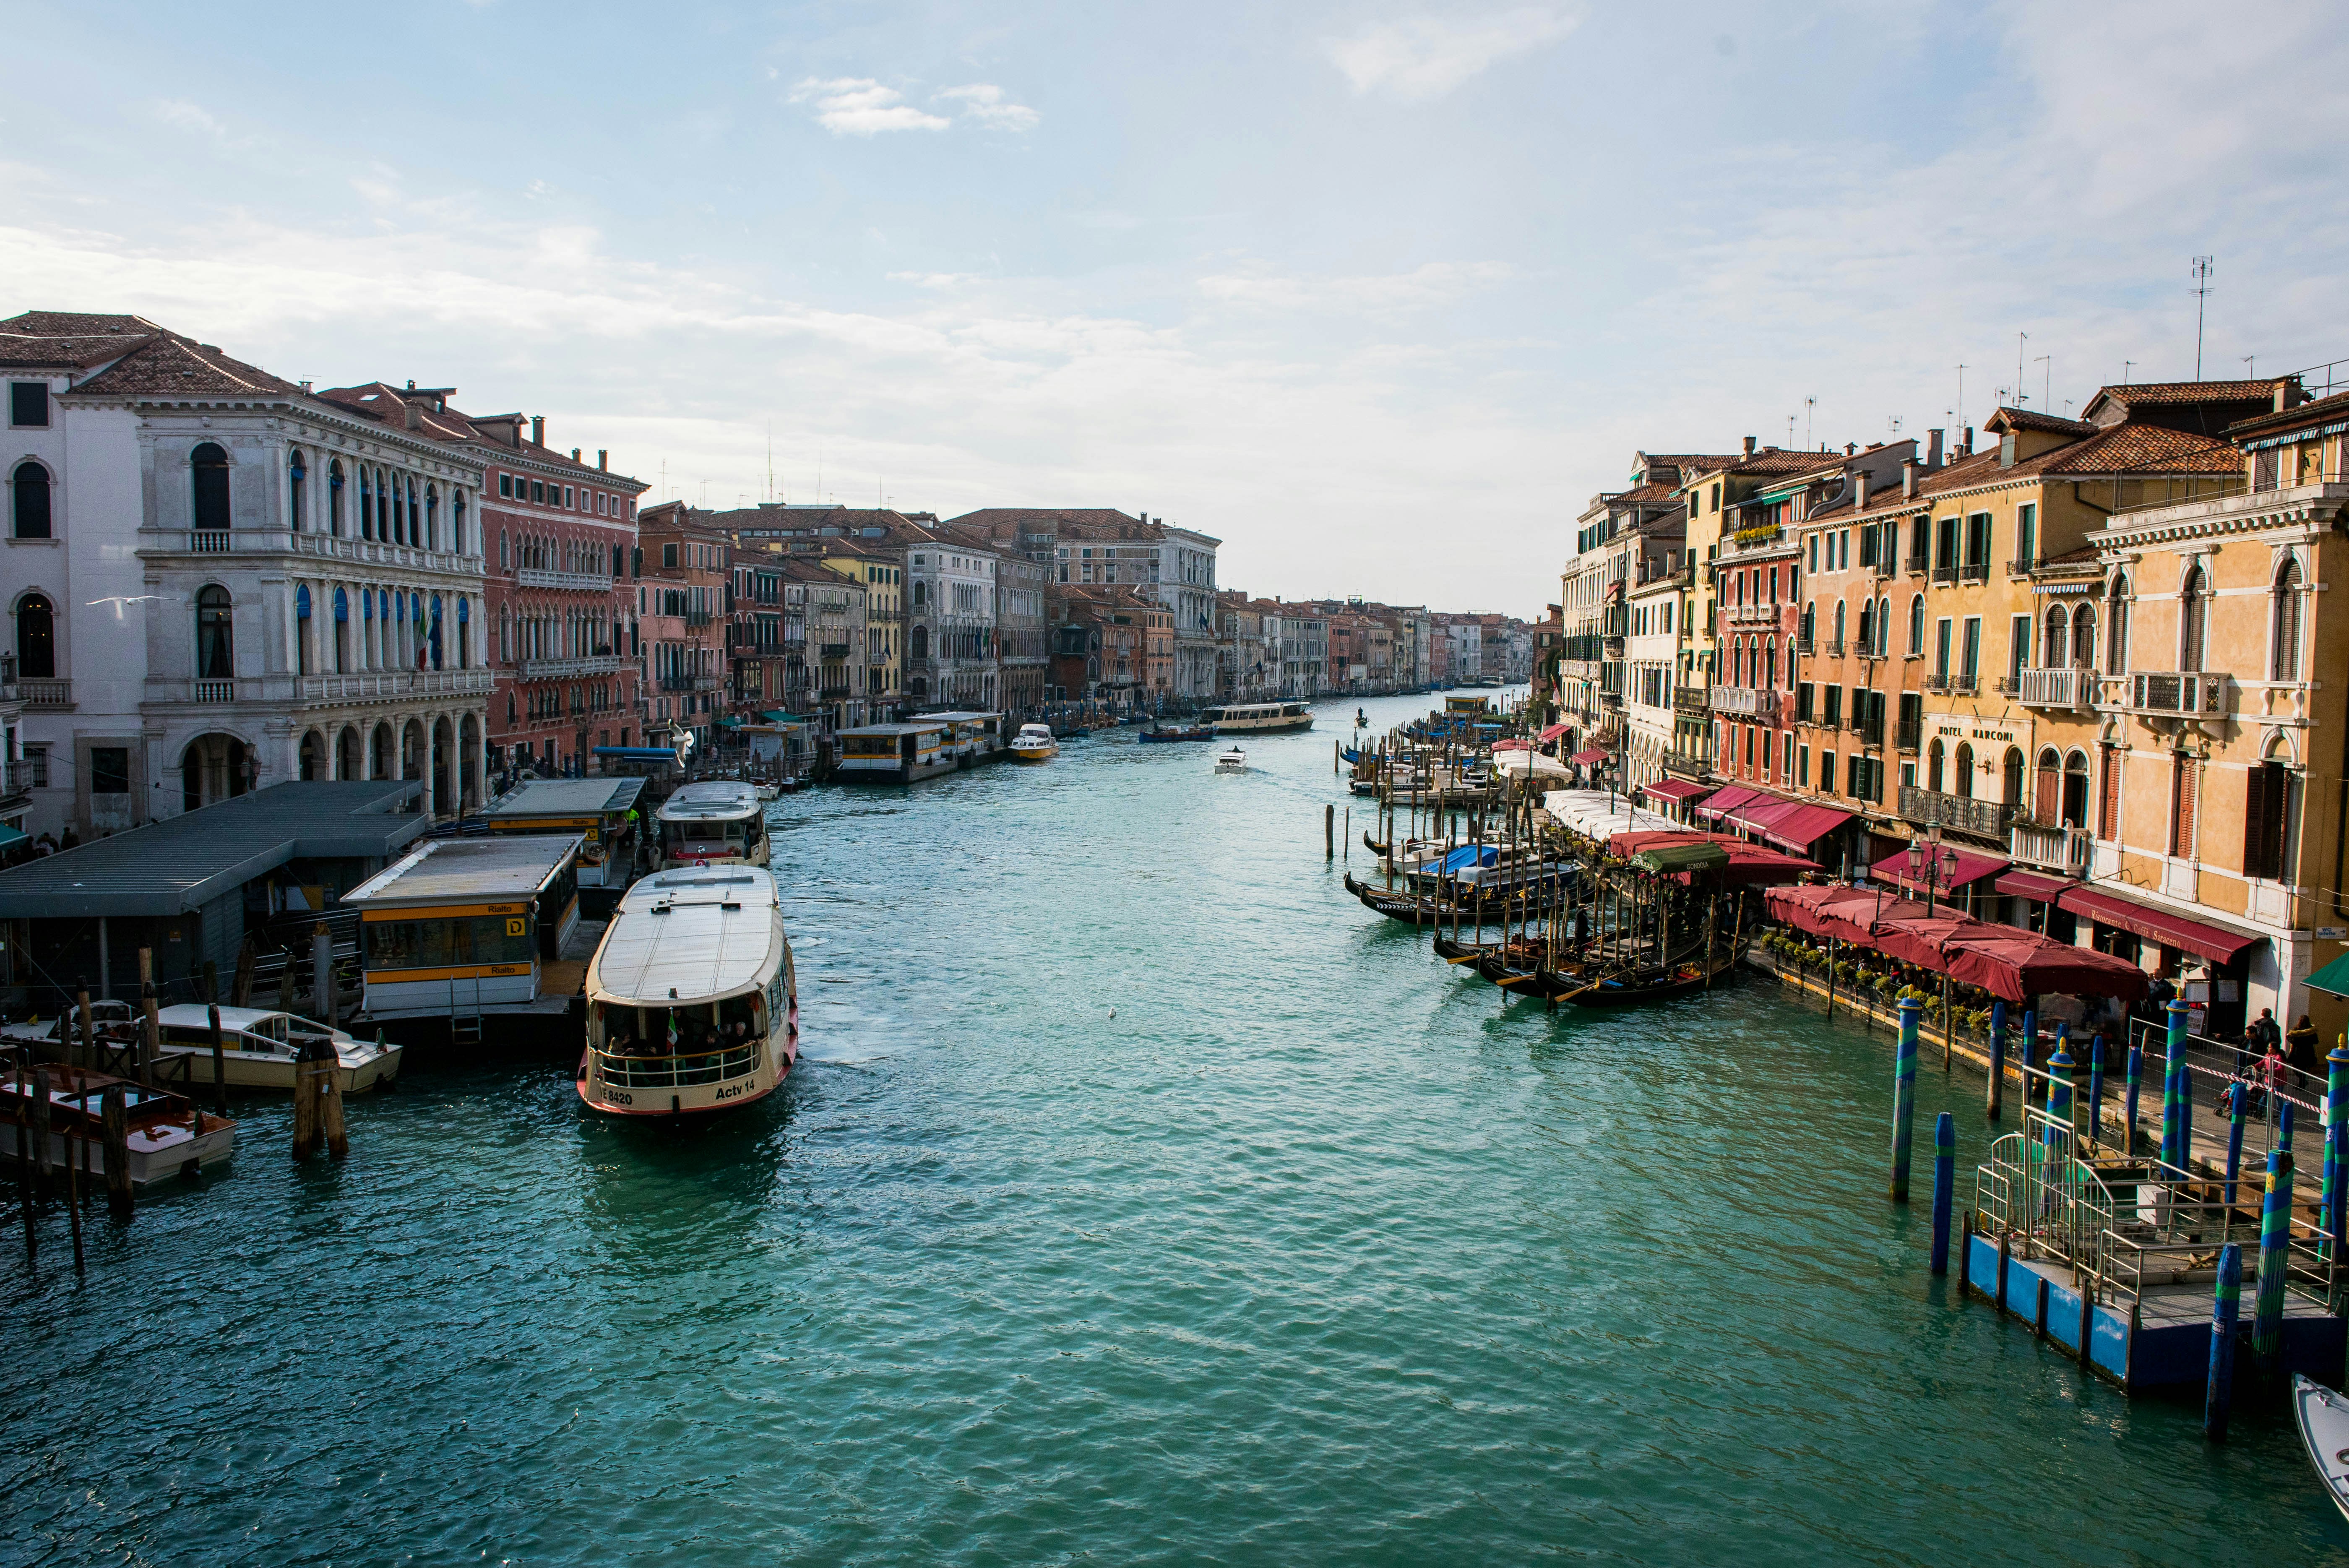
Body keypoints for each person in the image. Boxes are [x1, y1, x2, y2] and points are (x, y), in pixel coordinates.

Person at [2241, 1007, 2280, 1078]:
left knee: (2256, 1066)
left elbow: (2258, 1037)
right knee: (2269, 1065)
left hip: (2260, 1048)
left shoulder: (2260, 1024)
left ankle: (2255, 1081)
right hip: (2271, 1048)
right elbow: (2278, 1039)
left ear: (2262, 1014)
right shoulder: (2275, 1026)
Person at [2286, 1013, 2322, 1079]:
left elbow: (2294, 1042)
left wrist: (2288, 1037)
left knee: (2295, 1068)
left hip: (2298, 1053)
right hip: (2308, 1052)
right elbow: (2316, 1041)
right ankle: (2302, 1083)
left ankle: (2302, 1084)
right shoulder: (2312, 1031)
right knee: (2304, 1069)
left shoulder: (2296, 1031)